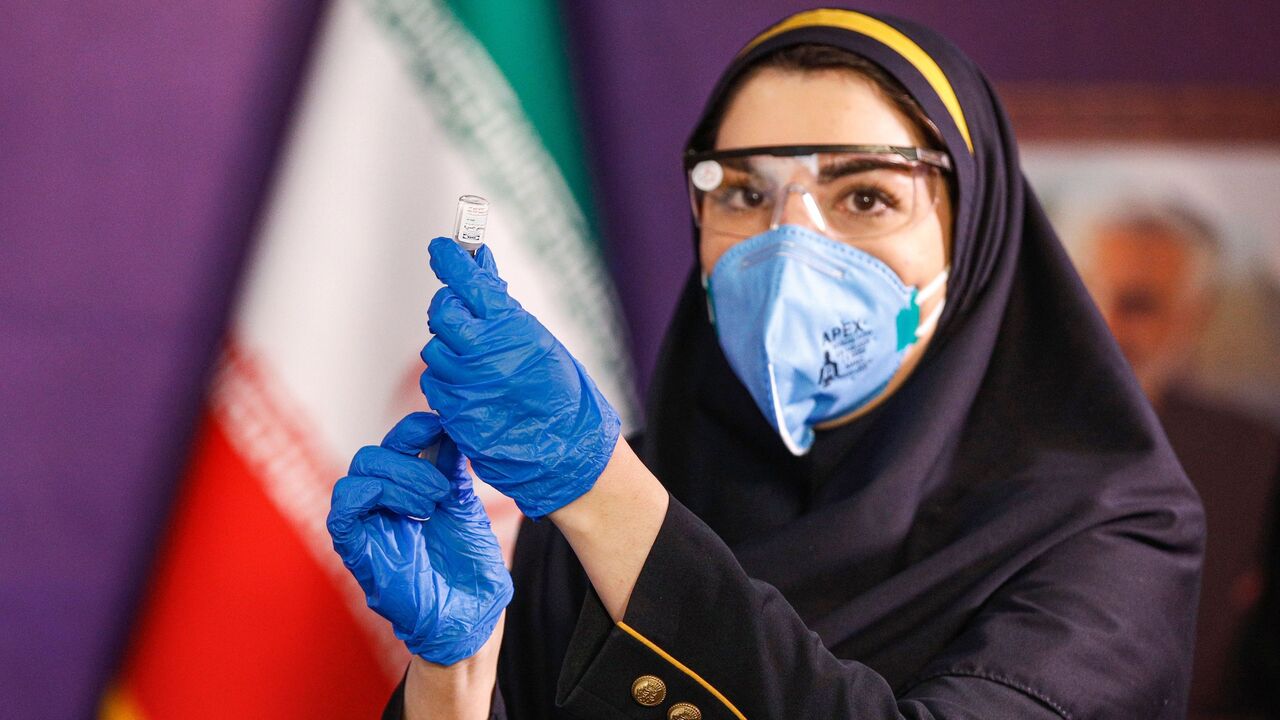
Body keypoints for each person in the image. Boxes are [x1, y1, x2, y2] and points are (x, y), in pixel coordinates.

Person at [327, 9, 1205, 719]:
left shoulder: (1106, 533)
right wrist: (454, 677)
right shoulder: (593, 510)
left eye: (866, 196)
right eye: (744, 193)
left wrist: (601, 492)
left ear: (973, 235)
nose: (789, 248)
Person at [1074, 204, 1280, 718]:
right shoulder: (999, 437)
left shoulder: (1251, 458)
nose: (1104, 323)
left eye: (1138, 304)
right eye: (1083, 295)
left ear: (1194, 315)